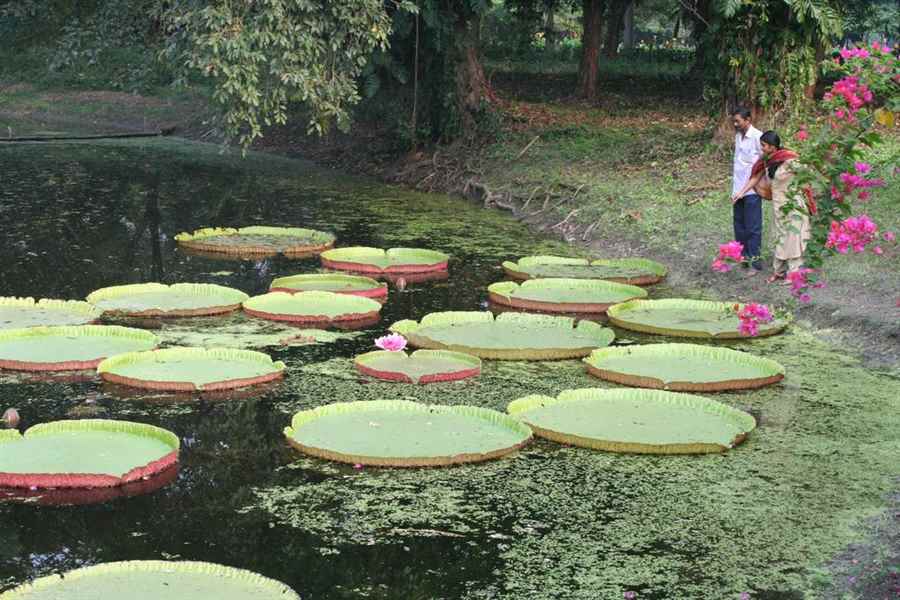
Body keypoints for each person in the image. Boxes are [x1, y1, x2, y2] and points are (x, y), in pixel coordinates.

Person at [731, 130, 810, 283]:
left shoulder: (789, 159)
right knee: (779, 237)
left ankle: (794, 274)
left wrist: (802, 192)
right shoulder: (767, 161)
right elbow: (755, 177)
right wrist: (741, 193)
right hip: (778, 205)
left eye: (764, 146)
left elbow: (807, 175)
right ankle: (779, 271)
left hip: (793, 205)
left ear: (773, 147)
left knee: (792, 238)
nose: (762, 149)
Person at [731, 107, 764, 275]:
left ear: (748, 120)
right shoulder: (738, 136)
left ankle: (755, 262)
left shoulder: (758, 137)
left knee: (753, 227)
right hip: (737, 190)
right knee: (739, 225)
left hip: (752, 191)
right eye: (734, 121)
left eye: (738, 121)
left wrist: (748, 187)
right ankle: (743, 257)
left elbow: (763, 164)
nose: (735, 124)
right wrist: (736, 191)